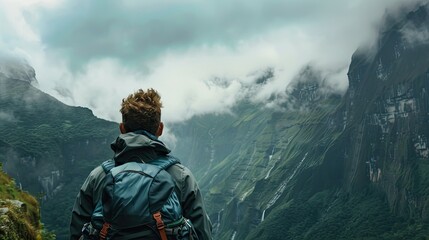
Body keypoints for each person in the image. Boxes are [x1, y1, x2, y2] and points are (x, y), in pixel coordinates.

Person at [70, 88, 212, 239]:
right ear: (160, 129)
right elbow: (203, 233)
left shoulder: (99, 177)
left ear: (122, 128)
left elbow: (77, 232)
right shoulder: (182, 177)